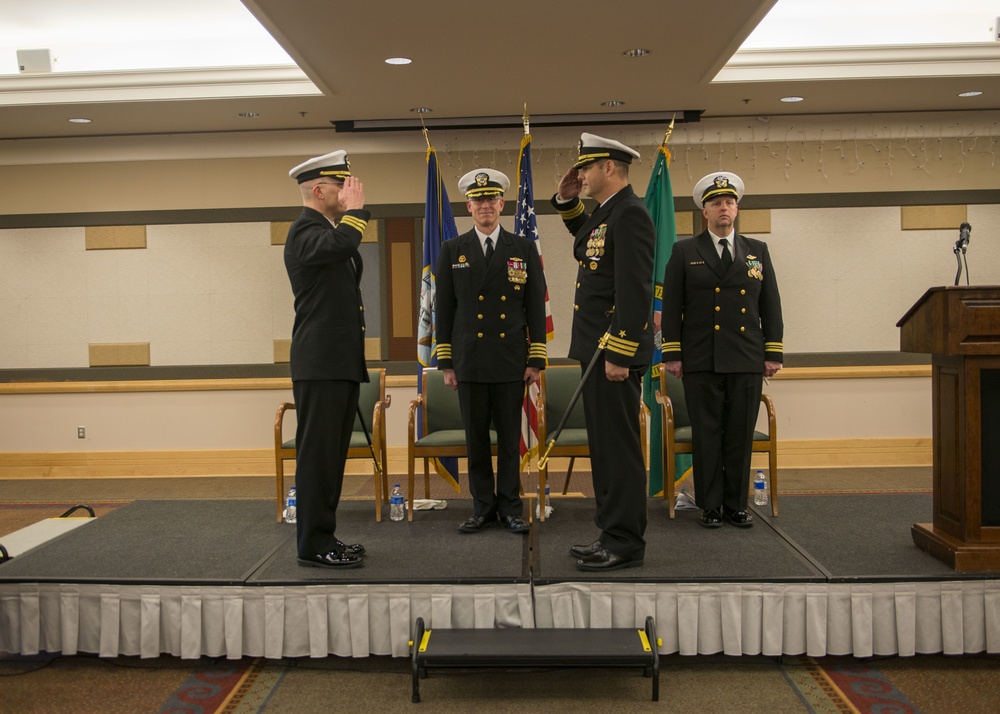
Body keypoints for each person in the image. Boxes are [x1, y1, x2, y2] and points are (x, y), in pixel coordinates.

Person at [552, 133, 655, 571]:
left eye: (587, 168)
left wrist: (619, 352)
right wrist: (567, 201)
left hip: (611, 354)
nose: (583, 175)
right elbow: (589, 245)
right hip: (596, 351)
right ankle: (609, 532)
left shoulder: (630, 214)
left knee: (620, 449)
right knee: (605, 448)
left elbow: (635, 289)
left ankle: (626, 542)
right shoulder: (608, 213)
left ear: (608, 168)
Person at [661, 172, 783, 529]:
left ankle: (736, 505)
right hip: (702, 358)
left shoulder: (756, 251)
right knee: (708, 434)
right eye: (716, 203)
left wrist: (772, 351)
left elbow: (770, 304)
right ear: (705, 212)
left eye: (729, 202)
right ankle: (710, 506)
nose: (724, 208)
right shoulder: (685, 251)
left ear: (737, 208)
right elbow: (672, 306)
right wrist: (672, 352)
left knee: (740, 435)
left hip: (746, 357)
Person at [435, 168, 547, 534]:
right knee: (477, 439)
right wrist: (446, 361)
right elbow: (444, 310)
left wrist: (536, 359)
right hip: (469, 360)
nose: (485, 206)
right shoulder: (453, 250)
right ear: (469, 206)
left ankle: (511, 507)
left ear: (502, 204)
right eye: (478, 200)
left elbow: (535, 306)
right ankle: (483, 506)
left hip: (510, 359)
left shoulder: (523, 248)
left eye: (492, 200)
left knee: (509, 439)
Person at [284, 150, 370, 568]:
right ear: (318, 190)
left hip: (337, 362)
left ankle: (325, 536)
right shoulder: (304, 231)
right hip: (319, 363)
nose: (350, 191)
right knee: (317, 457)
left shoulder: (327, 231)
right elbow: (341, 244)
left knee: (332, 457)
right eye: (342, 185)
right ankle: (314, 544)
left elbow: (341, 249)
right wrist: (357, 212)